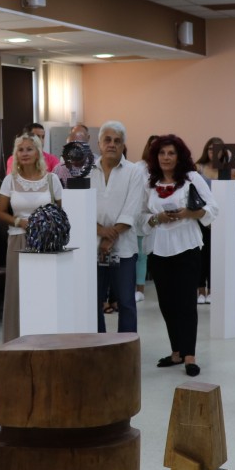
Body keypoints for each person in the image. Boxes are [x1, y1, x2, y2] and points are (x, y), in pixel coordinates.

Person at [140, 135, 216, 377]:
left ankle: (189, 355)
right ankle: (176, 351)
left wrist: (188, 213)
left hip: (187, 247)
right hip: (158, 249)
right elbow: (141, 215)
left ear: (179, 156)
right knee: (166, 303)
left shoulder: (192, 178)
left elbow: (212, 208)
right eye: (162, 153)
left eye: (171, 153)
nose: (166, 158)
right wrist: (157, 218)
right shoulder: (149, 182)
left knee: (186, 303)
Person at [0, 134, 64, 343]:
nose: (24, 153)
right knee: (17, 292)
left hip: (46, 243)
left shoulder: (52, 179)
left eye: (29, 149)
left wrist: (45, 224)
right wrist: (20, 222)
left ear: (38, 153)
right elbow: (0, 212)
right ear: (16, 154)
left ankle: (46, 340)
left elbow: (61, 212)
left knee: (44, 292)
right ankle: (15, 340)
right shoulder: (10, 180)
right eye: (21, 149)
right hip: (18, 240)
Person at [93, 121, 145, 333]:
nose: (112, 144)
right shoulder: (87, 171)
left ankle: (126, 347)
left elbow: (133, 208)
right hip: (92, 247)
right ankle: (99, 345)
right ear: (99, 144)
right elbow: (82, 208)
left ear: (123, 145)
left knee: (126, 302)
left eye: (117, 141)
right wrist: (100, 232)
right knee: (93, 301)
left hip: (124, 248)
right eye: (107, 140)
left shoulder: (134, 171)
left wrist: (109, 237)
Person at [195, 137, 232, 304]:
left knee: (215, 255)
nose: (213, 152)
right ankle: (200, 290)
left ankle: (212, 290)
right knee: (200, 255)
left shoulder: (226, 169)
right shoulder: (198, 167)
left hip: (220, 217)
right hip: (200, 215)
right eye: (210, 149)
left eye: (217, 149)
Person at [135, 134, 159, 304]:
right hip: (141, 215)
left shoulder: (164, 169)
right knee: (140, 254)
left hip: (159, 217)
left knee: (156, 254)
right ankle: (139, 289)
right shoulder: (139, 167)